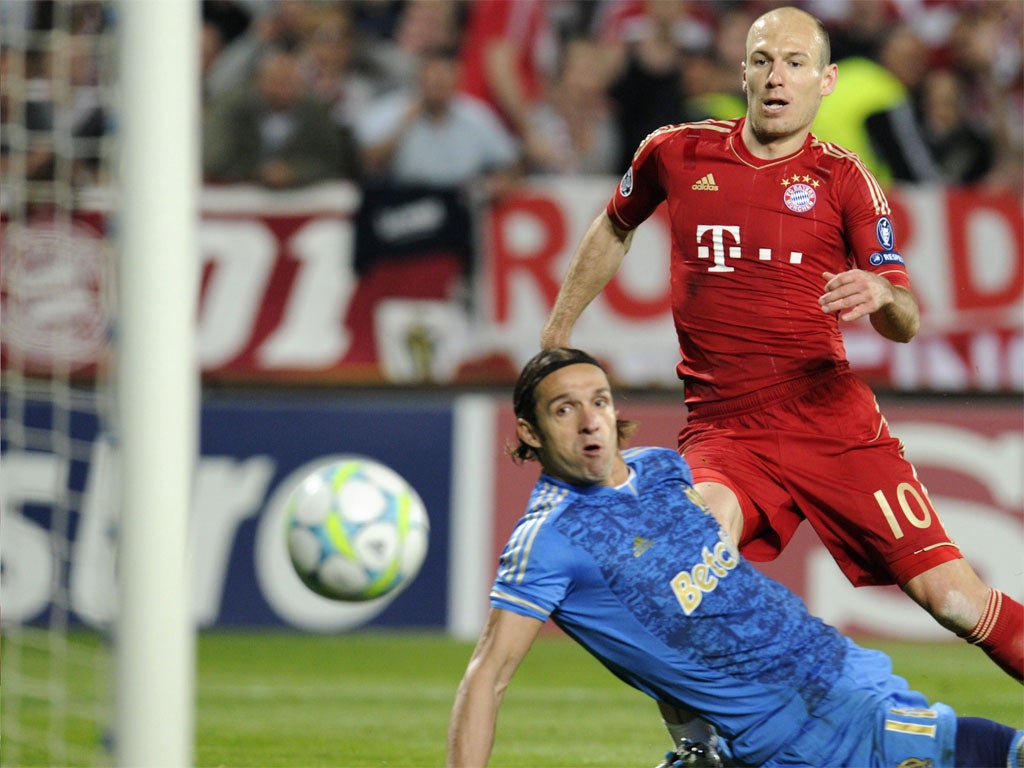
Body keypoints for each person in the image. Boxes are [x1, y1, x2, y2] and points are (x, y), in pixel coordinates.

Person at [539, 4, 1023, 687]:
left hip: (831, 422)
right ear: (743, 71)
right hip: (725, 428)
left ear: (824, 81)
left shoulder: (846, 180)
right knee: (682, 563)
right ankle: (702, 744)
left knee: (952, 599)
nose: (777, 76)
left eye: (795, 63)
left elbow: (907, 317)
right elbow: (615, 225)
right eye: (764, 60)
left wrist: (885, 298)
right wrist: (557, 332)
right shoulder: (675, 152)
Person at [446, 347, 1023, 768]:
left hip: (842, 672)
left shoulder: (661, 468)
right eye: (565, 409)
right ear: (530, 429)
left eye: (598, 401)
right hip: (805, 732)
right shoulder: (551, 538)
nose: (591, 419)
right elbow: (487, 676)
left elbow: (680, 619)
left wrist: (692, 741)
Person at [202, 47, 359, 188]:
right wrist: (258, 171)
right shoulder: (231, 108)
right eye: (278, 81)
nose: (285, 90)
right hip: (237, 192)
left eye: (292, 82)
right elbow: (213, 159)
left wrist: (294, 172)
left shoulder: (314, 111)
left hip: (298, 195)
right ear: (260, 81)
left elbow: (332, 160)